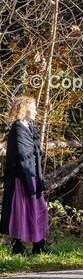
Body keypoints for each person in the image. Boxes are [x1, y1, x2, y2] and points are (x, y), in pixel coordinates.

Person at [1, 96, 49, 255]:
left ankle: (38, 245)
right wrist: (29, 182)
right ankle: (18, 247)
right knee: (21, 211)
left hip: (33, 175)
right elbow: (22, 156)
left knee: (38, 209)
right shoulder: (17, 130)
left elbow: (35, 152)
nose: (35, 111)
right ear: (24, 110)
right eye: (33, 108)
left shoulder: (30, 128)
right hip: (22, 178)